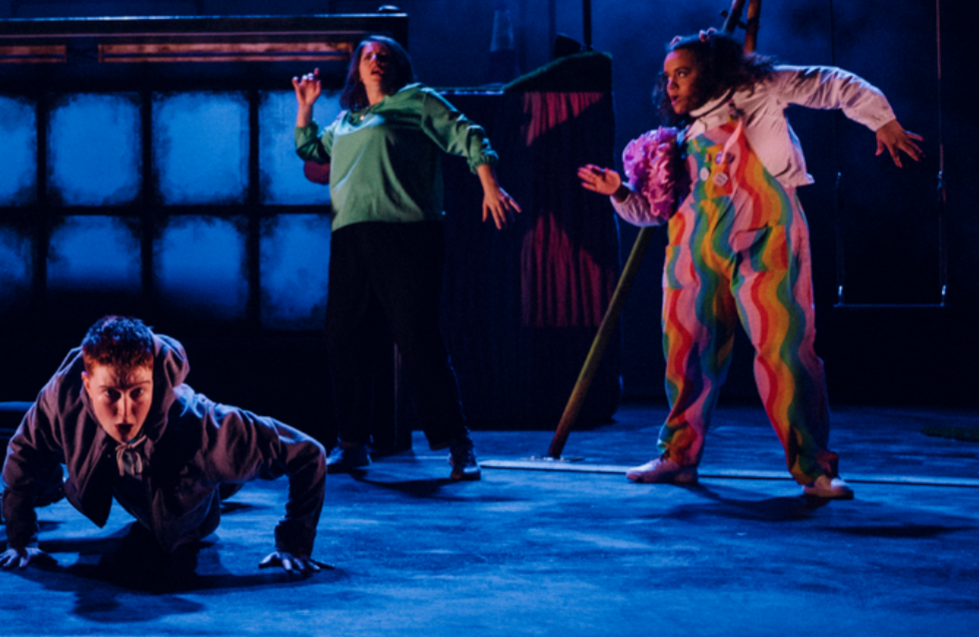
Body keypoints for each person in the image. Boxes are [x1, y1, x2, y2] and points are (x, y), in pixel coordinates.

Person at [577, 30, 924, 501]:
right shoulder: (676, 141)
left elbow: (829, 82)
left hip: (766, 242)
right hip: (692, 256)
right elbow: (654, 213)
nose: (672, 86)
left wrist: (881, 119)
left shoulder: (759, 91)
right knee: (685, 355)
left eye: (683, 73)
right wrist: (619, 191)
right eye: (668, 78)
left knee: (785, 353)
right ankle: (678, 458)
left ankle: (815, 469)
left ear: (711, 69)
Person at [292, 35, 520, 476]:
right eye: (368, 57)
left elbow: (468, 134)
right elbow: (311, 152)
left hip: (408, 234)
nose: (376, 62)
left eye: (385, 56)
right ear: (357, 69)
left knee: (418, 339)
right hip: (351, 238)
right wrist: (305, 106)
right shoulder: (344, 122)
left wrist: (488, 184)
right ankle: (353, 442)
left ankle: (457, 444)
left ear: (398, 67)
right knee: (345, 338)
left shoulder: (417, 101)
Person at [0, 316, 327, 575]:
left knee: (215, 476)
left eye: (137, 394)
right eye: (110, 395)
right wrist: (21, 536)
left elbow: (308, 454)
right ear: (86, 384)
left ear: (154, 381)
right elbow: (23, 451)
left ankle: (219, 486)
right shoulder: (63, 393)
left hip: (177, 491)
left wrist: (294, 542)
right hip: (98, 463)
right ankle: (49, 485)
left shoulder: (205, 427)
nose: (125, 414)